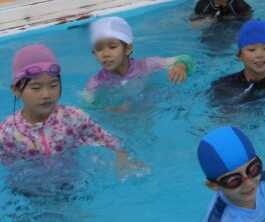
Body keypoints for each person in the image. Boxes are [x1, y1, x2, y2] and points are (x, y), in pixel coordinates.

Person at [0, 44, 129, 169]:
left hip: (72, 179)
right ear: (16, 90)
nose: (47, 94)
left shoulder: (73, 117)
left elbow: (106, 139)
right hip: (26, 183)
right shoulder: (7, 131)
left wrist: (122, 155)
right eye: (36, 88)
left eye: (53, 85)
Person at [84, 17, 196, 103]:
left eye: (112, 47)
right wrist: (109, 106)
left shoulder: (147, 65)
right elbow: (89, 105)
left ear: (127, 49)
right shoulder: (95, 83)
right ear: (94, 53)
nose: (105, 54)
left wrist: (181, 66)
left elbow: (186, 58)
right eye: (99, 49)